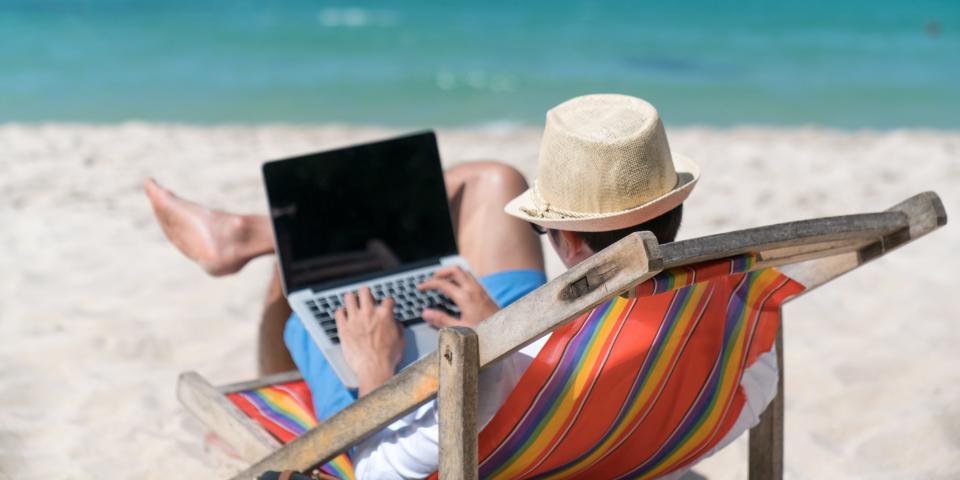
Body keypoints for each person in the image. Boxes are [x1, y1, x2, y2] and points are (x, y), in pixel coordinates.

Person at [147, 94, 776, 479]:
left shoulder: (546, 357)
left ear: (563, 241)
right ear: (675, 209)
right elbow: (756, 395)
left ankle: (261, 246)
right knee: (492, 180)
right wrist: (491, 328)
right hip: (555, 392)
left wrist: (376, 370)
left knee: (304, 281)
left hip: (476, 410)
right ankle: (253, 234)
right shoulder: (731, 294)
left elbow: (383, 468)